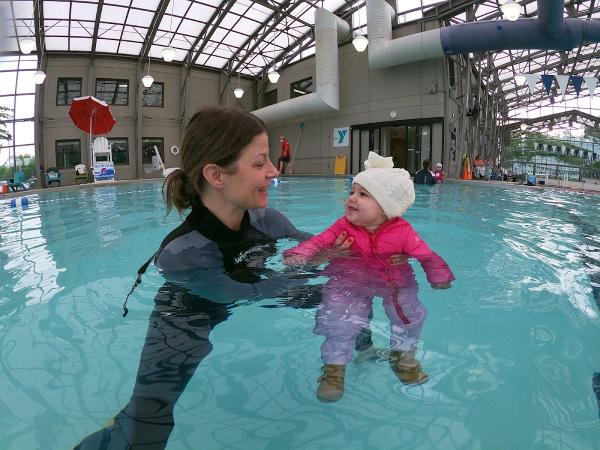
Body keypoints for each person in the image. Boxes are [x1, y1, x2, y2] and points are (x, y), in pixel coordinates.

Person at [75, 106, 350, 449]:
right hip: (189, 310)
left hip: (256, 284)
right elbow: (229, 292)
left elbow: (312, 249)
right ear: (216, 176)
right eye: (259, 162)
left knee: (349, 295)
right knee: (149, 420)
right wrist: (299, 273)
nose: (273, 171)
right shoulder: (182, 253)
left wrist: (332, 256)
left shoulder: (270, 221)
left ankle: (360, 351)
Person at [283, 152, 454, 402]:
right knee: (339, 317)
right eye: (352, 191)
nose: (352, 198)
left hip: (393, 280)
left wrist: (438, 275)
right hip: (348, 279)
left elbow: (426, 255)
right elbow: (319, 241)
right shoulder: (343, 226)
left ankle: (403, 357)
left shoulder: (403, 232)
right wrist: (300, 254)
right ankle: (334, 368)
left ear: (387, 206)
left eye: (363, 194)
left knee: (410, 314)